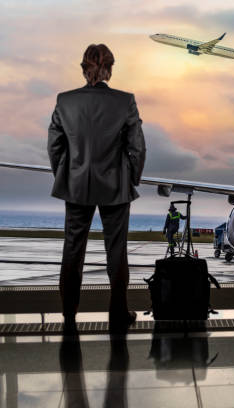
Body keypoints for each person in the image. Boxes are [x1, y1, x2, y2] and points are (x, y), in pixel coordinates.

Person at [48, 44, 146, 333]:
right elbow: (137, 147)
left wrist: (65, 176)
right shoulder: (125, 101)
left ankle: (68, 313)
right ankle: (118, 313)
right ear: (110, 69)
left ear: (83, 68)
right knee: (116, 250)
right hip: (115, 185)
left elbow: (55, 145)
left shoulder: (64, 101)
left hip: (75, 184)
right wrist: (132, 180)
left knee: (72, 248)